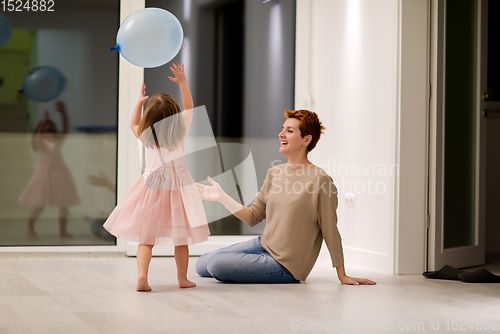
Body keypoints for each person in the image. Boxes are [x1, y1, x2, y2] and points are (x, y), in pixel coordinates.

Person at [196, 109, 376, 285]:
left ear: (306, 139)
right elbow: (253, 217)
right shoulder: (274, 173)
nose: (281, 134)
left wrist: (342, 274)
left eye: (289, 131)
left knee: (216, 265)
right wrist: (222, 197)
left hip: (285, 265)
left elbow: (330, 229)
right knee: (201, 264)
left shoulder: (321, 180)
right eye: (282, 129)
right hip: (263, 245)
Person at [104, 63, 210, 291]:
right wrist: (182, 82)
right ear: (175, 116)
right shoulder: (180, 129)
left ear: (149, 119)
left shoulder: (144, 134)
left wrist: (139, 103)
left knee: (146, 238)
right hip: (178, 190)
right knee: (181, 239)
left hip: (151, 188)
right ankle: (182, 278)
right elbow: (190, 107)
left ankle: (142, 275)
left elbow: (133, 123)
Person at [19, 101, 80, 239]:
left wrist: (63, 113)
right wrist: (45, 121)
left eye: (50, 127)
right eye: (45, 128)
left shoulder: (57, 141)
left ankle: (63, 231)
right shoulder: (39, 143)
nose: (48, 130)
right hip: (44, 176)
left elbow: (65, 129)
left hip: (59, 174)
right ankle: (30, 227)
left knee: (63, 206)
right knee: (39, 205)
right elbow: (37, 136)